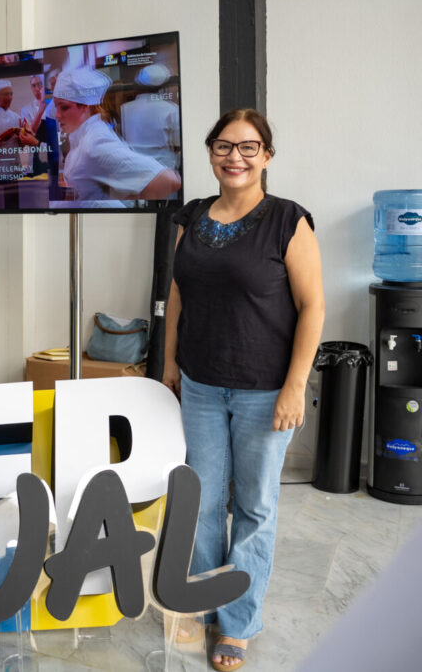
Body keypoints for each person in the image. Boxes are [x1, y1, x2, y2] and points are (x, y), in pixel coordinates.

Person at [162, 109, 324, 672]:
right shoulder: (190, 218)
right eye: (224, 146)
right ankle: (205, 602)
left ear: (267, 157)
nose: (235, 157)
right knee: (203, 505)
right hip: (202, 384)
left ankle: (237, 624)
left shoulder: (288, 221)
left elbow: (313, 308)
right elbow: (178, 295)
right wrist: (170, 363)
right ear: (210, 152)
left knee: (254, 507)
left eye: (249, 147)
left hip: (264, 388)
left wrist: (295, 387)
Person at [52, 68, 180, 206]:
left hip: (147, 174)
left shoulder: (95, 142)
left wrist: (124, 204)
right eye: (56, 107)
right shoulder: (82, 137)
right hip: (140, 174)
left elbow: (169, 180)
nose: (57, 115)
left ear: (85, 106)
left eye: (64, 107)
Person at [120, 64, 181, 173]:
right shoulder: (172, 109)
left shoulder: (125, 108)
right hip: (163, 170)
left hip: (134, 169)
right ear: (162, 86)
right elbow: (177, 144)